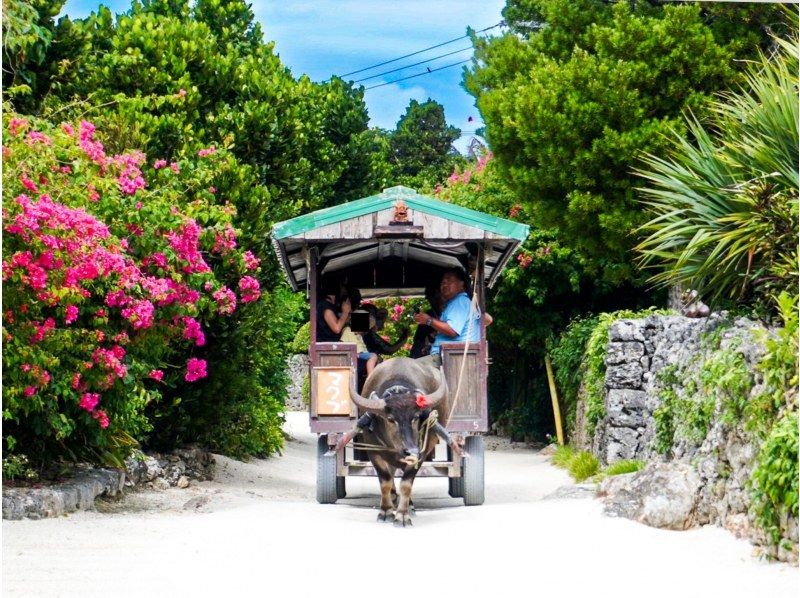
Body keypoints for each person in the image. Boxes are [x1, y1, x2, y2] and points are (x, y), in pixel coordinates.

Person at [413, 267, 482, 368]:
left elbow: (452, 330)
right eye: (442, 282)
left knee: (411, 368)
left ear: (462, 284)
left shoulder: (460, 301)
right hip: (446, 355)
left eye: (449, 280)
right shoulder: (457, 302)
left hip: (449, 358)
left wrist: (428, 320)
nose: (444, 284)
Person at [341, 312, 379, 376]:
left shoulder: (359, 335)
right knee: (373, 356)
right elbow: (342, 344)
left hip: (361, 353)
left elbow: (363, 348)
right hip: (355, 354)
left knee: (378, 359)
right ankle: (370, 377)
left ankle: (368, 374)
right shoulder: (347, 330)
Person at [410, 285, 443, 359]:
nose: (430, 301)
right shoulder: (429, 313)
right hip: (425, 348)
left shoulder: (449, 310)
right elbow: (419, 340)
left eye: (432, 297)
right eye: (429, 298)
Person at [316, 276, 351, 343]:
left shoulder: (330, 305)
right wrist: (345, 312)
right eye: (343, 286)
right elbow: (337, 328)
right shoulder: (325, 305)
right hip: (327, 346)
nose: (344, 290)